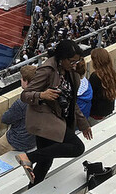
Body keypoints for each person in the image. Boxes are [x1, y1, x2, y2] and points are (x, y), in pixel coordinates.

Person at [22, 38, 92, 185]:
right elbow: (25, 95)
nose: (74, 65)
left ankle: (32, 193)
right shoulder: (47, 70)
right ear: (62, 58)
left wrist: (83, 123)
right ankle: (29, 157)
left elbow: (72, 101)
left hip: (59, 118)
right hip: (45, 120)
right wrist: (42, 95)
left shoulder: (71, 73)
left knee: (46, 161)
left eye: (76, 62)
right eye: (72, 61)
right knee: (77, 147)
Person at [85, 47, 116, 121]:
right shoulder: (112, 73)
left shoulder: (95, 76)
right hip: (109, 110)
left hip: (96, 114)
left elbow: (89, 96)